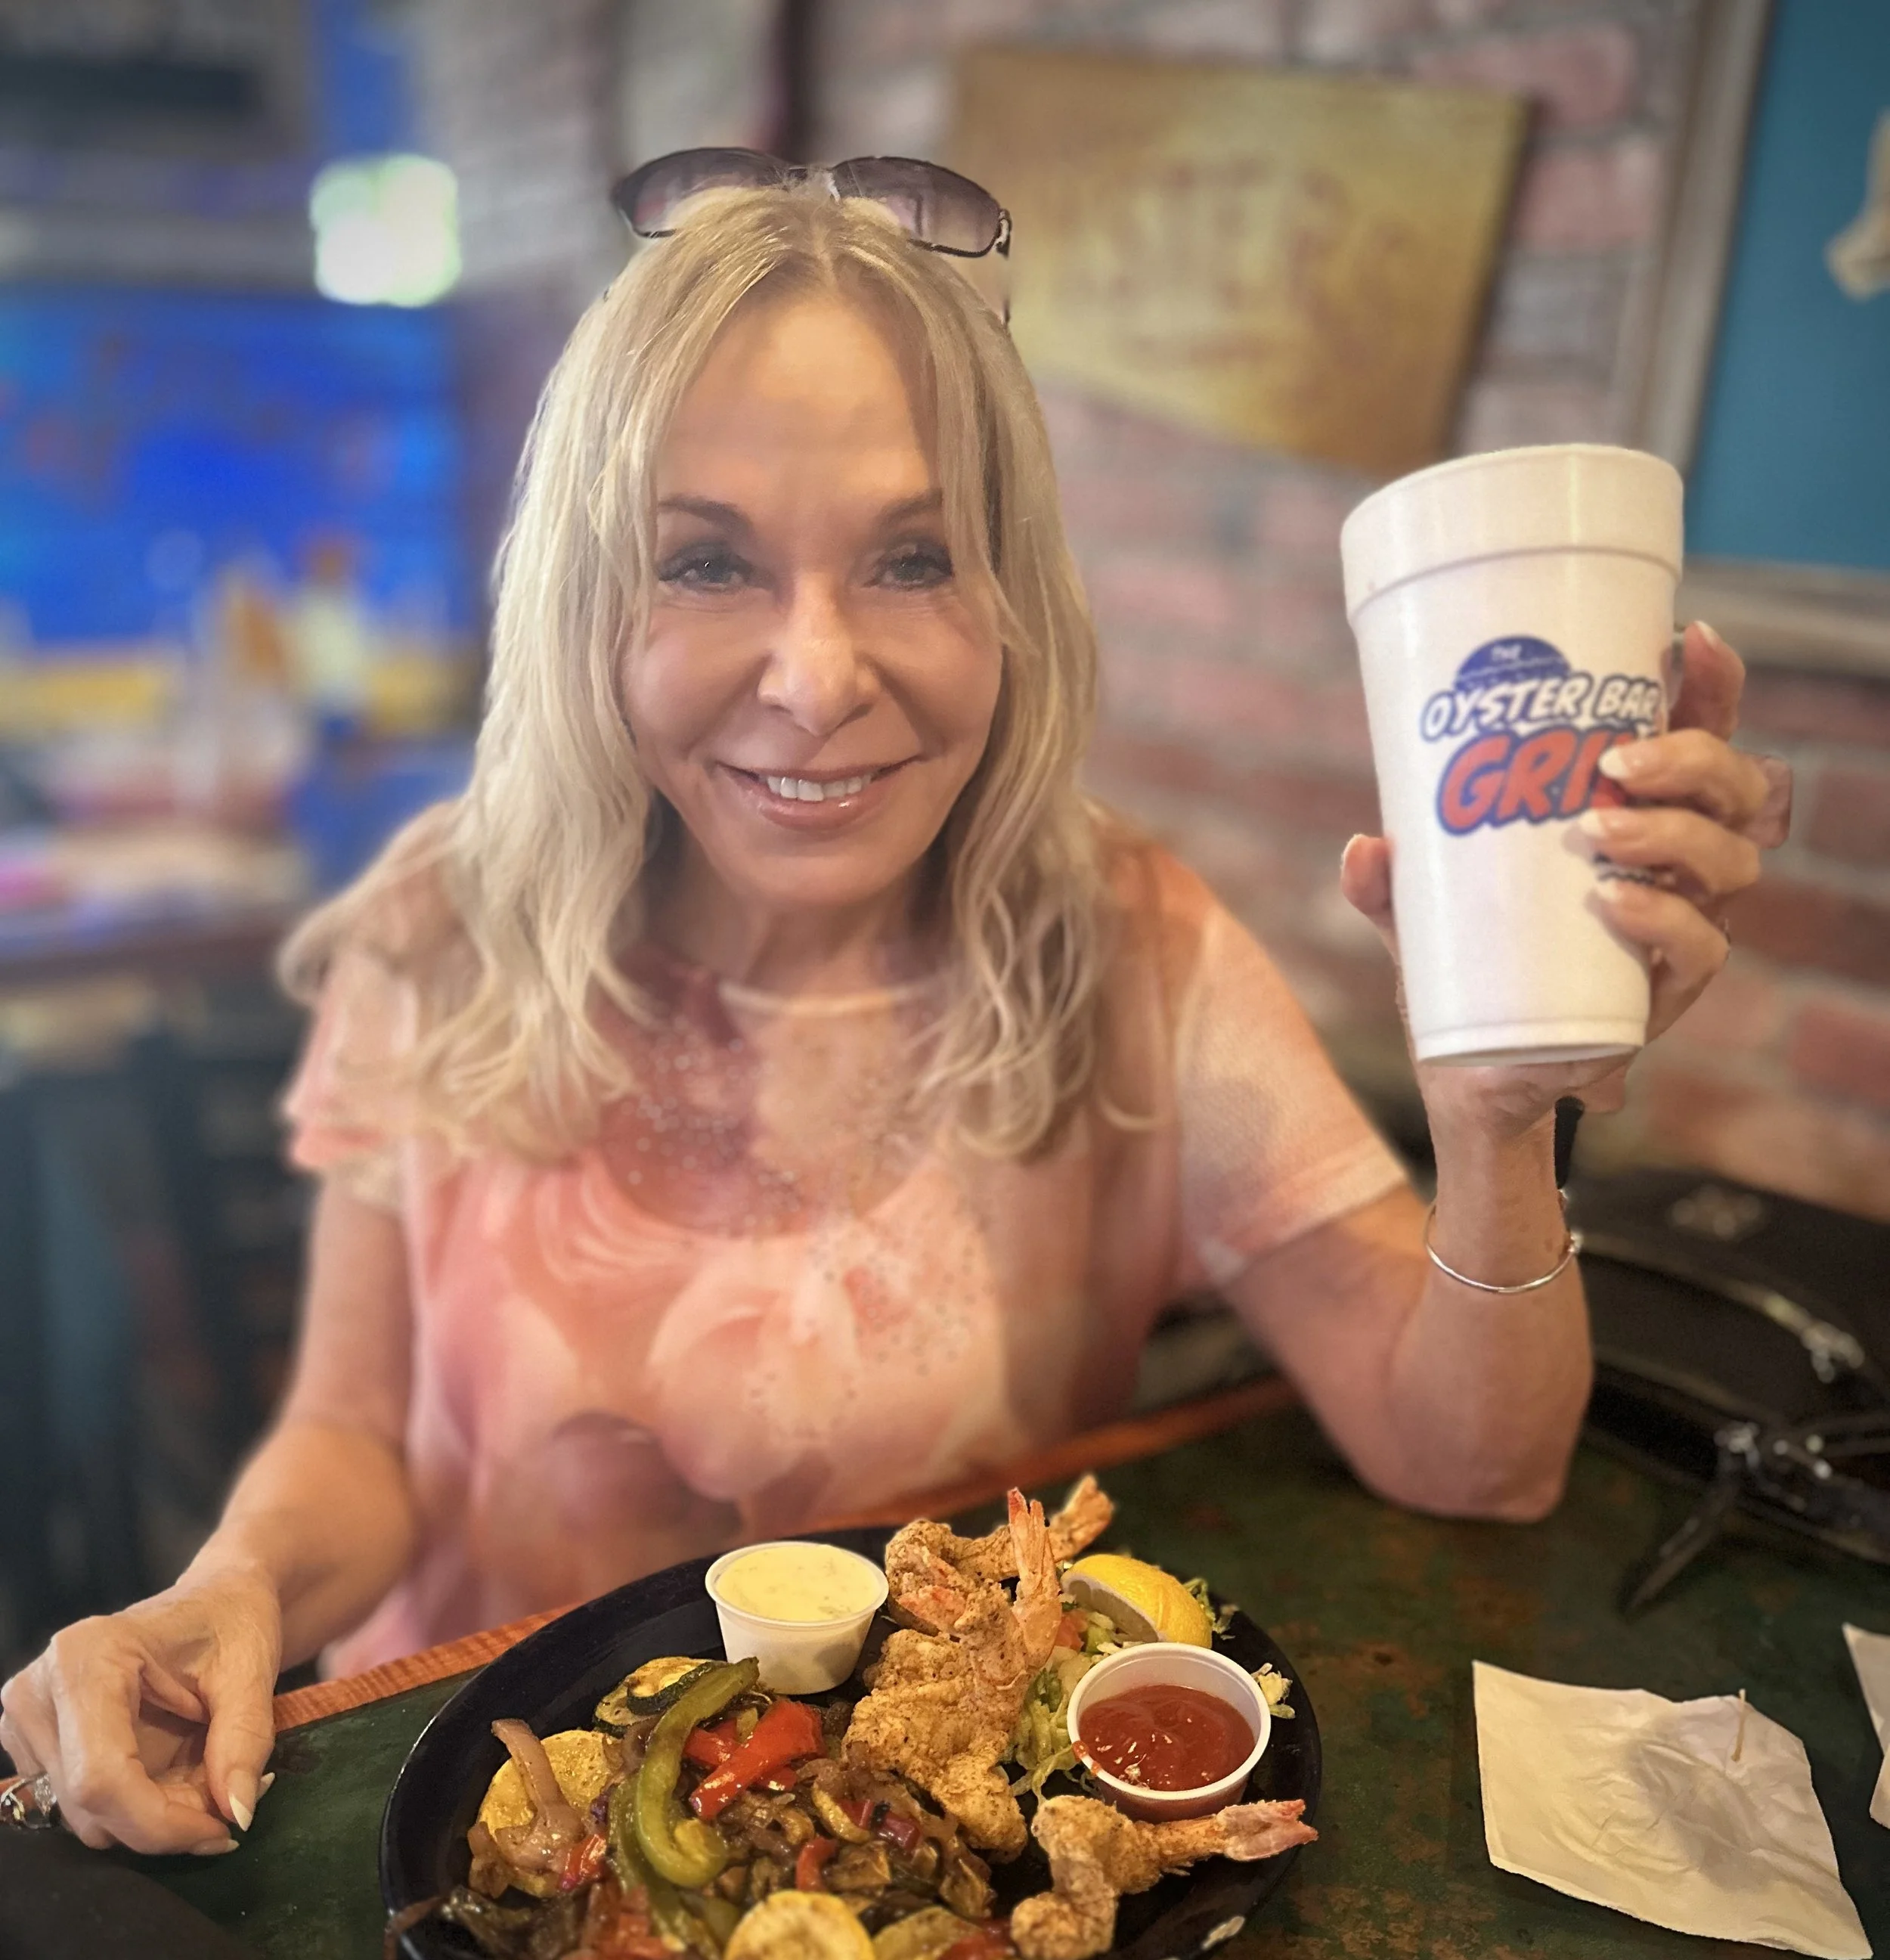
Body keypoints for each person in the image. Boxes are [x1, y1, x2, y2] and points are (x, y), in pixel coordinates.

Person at [0, 162, 1787, 1856]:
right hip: (489, 1830)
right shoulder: (446, 924)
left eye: (912, 558)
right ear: (589, 606)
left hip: (926, 1866)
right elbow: (357, 1440)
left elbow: (1471, 1463)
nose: (815, 673)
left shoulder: (1128, 945)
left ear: (1010, 604)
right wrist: (220, 1590)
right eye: (706, 562)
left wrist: (1494, 1112)